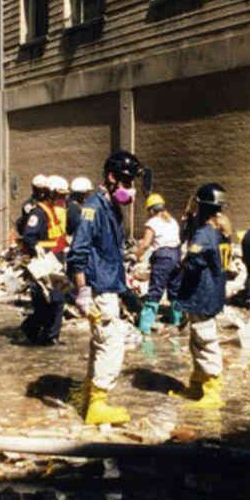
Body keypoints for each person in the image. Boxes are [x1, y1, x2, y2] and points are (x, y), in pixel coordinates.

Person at [67, 151, 144, 425]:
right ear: (111, 178)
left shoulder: (110, 208)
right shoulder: (94, 209)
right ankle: (98, 404)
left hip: (109, 284)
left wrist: (125, 289)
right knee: (111, 344)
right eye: (127, 182)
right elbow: (78, 251)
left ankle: (89, 395)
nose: (130, 189)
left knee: (100, 343)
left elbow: (109, 252)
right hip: (99, 289)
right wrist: (83, 291)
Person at [173, 183, 230, 410]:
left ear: (201, 206)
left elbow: (192, 263)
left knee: (205, 340)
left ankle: (212, 389)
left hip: (202, 294)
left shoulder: (204, 234)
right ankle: (197, 385)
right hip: (213, 291)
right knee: (197, 340)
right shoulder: (221, 232)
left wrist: (181, 266)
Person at [19, 176, 69, 345]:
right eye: (60, 195)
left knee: (54, 300)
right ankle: (47, 335)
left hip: (55, 259)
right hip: (46, 261)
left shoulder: (52, 210)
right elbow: (29, 236)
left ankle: (40, 332)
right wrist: (38, 250)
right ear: (51, 194)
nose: (62, 198)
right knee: (55, 299)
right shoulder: (38, 213)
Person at [134, 193, 183, 334]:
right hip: (176, 256)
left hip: (163, 258)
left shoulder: (153, 222)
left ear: (151, 210)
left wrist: (136, 256)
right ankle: (177, 321)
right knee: (174, 290)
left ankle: (145, 326)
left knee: (155, 291)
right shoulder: (172, 221)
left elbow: (145, 244)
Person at [14, 174, 49, 241]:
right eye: (39, 190)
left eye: (43, 190)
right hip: (36, 237)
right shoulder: (29, 205)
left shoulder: (48, 202)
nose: (42, 193)